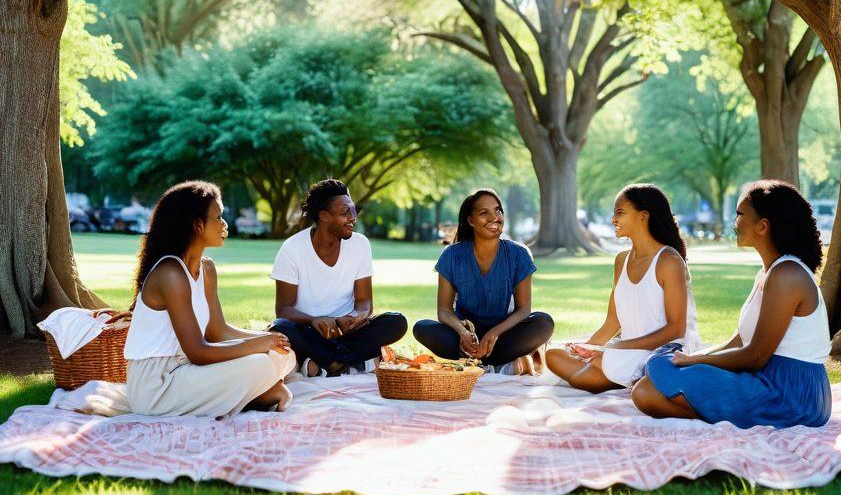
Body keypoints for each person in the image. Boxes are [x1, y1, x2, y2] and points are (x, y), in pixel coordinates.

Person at [632, 180, 832, 429]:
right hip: (763, 379)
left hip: (789, 395)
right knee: (652, 379)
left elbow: (756, 356)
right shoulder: (770, 272)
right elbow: (739, 340)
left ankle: (719, 414)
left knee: (647, 392)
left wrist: (696, 363)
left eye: (739, 214)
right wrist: (695, 356)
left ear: (763, 226)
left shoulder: (787, 275)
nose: (734, 221)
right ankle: (720, 410)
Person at [124, 181, 296, 416]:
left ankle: (255, 393)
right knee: (260, 364)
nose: (224, 224)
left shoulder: (207, 269)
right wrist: (258, 345)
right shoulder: (171, 273)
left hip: (190, 370)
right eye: (218, 217)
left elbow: (218, 331)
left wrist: (268, 339)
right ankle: (259, 394)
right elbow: (198, 351)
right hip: (158, 385)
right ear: (197, 225)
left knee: (283, 354)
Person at [545, 184, 699, 392]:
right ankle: (607, 370)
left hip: (660, 352)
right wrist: (589, 347)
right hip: (626, 349)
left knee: (590, 373)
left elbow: (675, 329)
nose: (613, 220)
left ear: (643, 215)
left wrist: (616, 347)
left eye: (620, 213)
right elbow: (613, 320)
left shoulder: (669, 260)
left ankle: (611, 371)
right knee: (553, 354)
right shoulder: (621, 260)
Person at [270, 178, 407, 376]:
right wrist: (314, 320)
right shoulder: (292, 249)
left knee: (396, 321)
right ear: (324, 216)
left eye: (353, 211)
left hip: (348, 333)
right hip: (310, 331)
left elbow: (364, 301)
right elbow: (283, 309)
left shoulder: (360, 244)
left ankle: (328, 362)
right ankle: (354, 362)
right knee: (281, 327)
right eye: (345, 213)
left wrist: (353, 318)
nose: (353, 217)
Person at [413, 189, 554, 372]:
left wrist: (494, 333)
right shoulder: (451, 255)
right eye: (484, 213)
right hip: (467, 337)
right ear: (470, 221)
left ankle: (479, 364)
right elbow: (444, 311)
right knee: (422, 328)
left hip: (504, 333)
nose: (494, 217)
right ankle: (503, 364)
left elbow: (524, 309)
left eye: (498, 211)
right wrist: (462, 333)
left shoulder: (519, 254)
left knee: (544, 323)